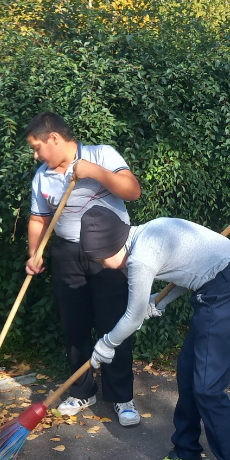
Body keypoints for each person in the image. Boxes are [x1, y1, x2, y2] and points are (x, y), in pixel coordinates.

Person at [78, 207, 230, 460]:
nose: (101, 266)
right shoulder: (145, 234)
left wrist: (105, 345)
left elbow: (132, 318)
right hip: (212, 284)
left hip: (228, 287)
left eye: (100, 259)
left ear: (111, 247)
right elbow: (187, 271)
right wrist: (158, 301)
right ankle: (187, 455)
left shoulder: (140, 256)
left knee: (208, 389)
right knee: (188, 374)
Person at [25, 112, 143, 425]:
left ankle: (122, 397)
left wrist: (95, 173)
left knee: (114, 324)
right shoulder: (43, 177)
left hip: (110, 251)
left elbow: (133, 191)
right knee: (74, 326)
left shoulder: (100, 154)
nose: (36, 155)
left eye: (37, 147)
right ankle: (82, 391)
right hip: (67, 253)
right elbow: (39, 219)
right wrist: (34, 254)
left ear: (54, 138)